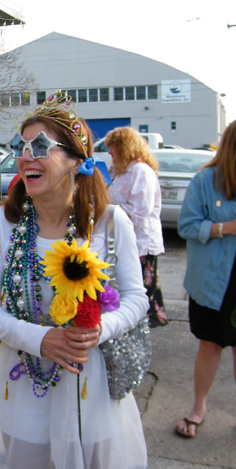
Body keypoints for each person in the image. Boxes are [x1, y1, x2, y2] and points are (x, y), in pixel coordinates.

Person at [0, 93, 149, 469]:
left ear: (75, 160)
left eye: (40, 146)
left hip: (89, 387)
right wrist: (40, 339)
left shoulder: (110, 223)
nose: (25, 155)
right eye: (21, 145)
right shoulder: (2, 224)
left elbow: (137, 299)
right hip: (21, 385)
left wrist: (98, 330)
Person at [174, 118, 236, 449]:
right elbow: (187, 226)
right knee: (210, 344)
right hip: (213, 281)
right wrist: (225, 228)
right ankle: (198, 408)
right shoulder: (206, 181)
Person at [104, 127, 168, 327]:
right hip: (118, 238)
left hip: (140, 241)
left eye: (113, 147)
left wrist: (107, 212)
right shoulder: (116, 171)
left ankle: (143, 325)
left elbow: (140, 211)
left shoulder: (141, 171)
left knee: (142, 286)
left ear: (124, 147)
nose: (109, 152)